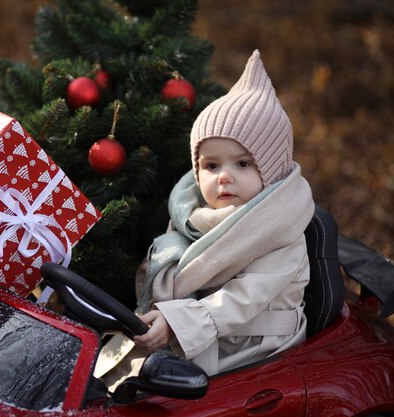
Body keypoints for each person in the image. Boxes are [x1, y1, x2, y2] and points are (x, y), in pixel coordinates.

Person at [101, 49, 315, 388]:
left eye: (242, 164)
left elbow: (242, 298)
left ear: (270, 171)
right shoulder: (193, 214)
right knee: (104, 377)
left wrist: (174, 323)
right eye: (211, 165)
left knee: (149, 393)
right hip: (196, 328)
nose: (224, 177)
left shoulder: (280, 229)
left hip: (254, 348)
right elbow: (176, 267)